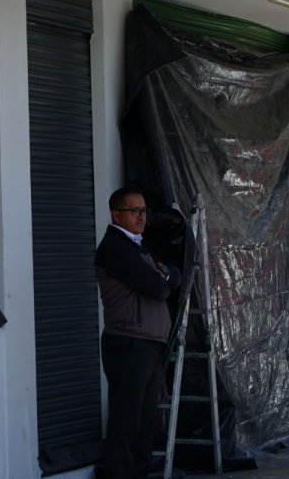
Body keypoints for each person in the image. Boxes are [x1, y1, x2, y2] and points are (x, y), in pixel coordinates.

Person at [95, 187, 182, 479]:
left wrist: (165, 275)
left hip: (148, 344)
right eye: (135, 211)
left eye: (144, 211)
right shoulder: (115, 248)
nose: (142, 217)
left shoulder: (138, 245)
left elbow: (174, 276)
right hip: (129, 344)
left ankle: (138, 474)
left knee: (145, 422)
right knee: (126, 421)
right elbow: (158, 288)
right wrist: (163, 277)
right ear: (116, 214)